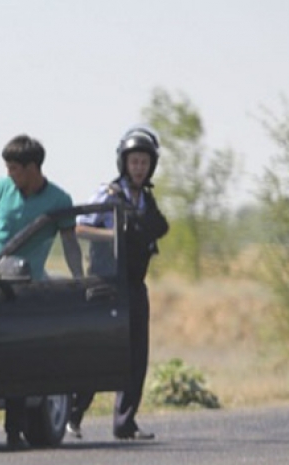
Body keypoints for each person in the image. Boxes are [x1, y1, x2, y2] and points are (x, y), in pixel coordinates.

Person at [0, 134, 83, 449]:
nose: (9, 174)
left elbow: (70, 245)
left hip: (22, 285)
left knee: (16, 356)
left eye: (14, 168)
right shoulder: (1, 188)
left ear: (33, 168)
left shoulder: (60, 200)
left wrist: (80, 282)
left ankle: (13, 431)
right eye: (7, 167)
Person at [71, 125, 169, 441]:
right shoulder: (108, 194)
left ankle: (125, 423)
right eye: (134, 162)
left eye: (144, 162)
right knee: (99, 352)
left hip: (134, 286)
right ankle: (73, 415)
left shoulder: (147, 202)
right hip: (106, 285)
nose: (139, 168)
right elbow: (80, 229)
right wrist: (114, 236)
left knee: (136, 355)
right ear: (124, 163)